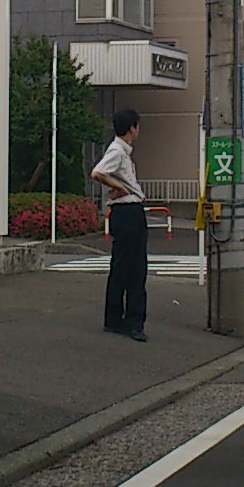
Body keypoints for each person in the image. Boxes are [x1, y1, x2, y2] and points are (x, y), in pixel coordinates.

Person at [90, 108, 148, 342]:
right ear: (132, 127)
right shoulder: (117, 151)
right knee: (135, 269)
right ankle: (133, 322)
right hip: (129, 212)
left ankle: (114, 319)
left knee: (122, 267)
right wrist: (121, 188)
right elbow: (98, 172)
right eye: (137, 126)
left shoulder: (121, 151)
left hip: (123, 212)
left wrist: (116, 186)